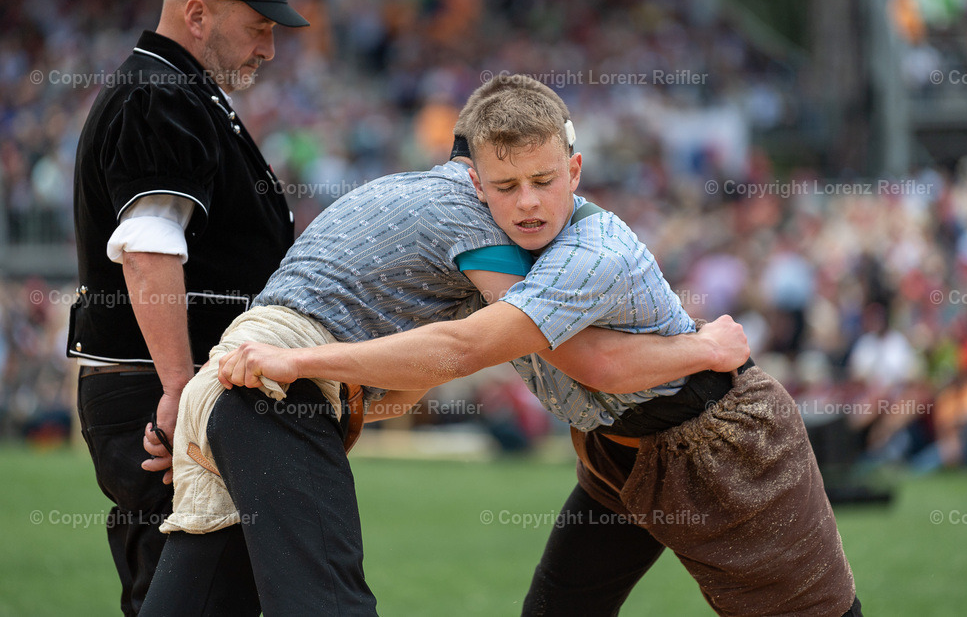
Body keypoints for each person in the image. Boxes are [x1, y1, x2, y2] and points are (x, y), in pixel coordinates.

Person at [222, 77, 862, 616]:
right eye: (506, 187)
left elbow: (491, 354)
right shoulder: (494, 255)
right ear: (475, 185)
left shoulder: (588, 256)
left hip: (723, 443)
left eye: (543, 180)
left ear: (575, 170)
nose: (527, 203)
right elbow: (425, 378)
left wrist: (296, 363)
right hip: (617, 454)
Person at [67, 0, 307, 615]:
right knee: (195, 590)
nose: (269, 47)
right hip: (161, 386)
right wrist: (178, 390)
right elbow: (147, 249)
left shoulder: (176, 90)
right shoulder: (160, 94)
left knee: (200, 587)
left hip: (170, 382)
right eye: (259, 26)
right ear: (197, 15)